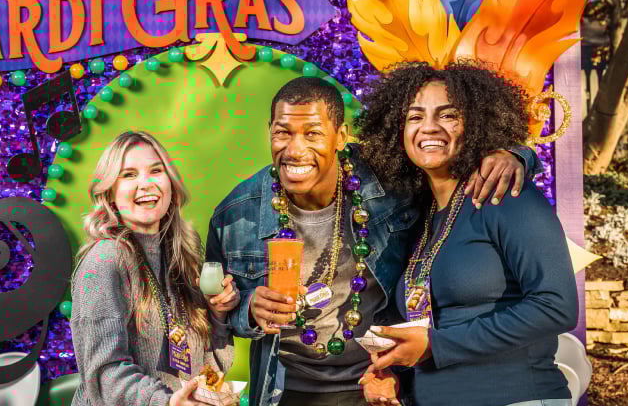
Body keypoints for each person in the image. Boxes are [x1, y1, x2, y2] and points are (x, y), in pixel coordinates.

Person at [204, 77, 540, 406]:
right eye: (282, 133)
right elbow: (216, 319)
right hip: (282, 388)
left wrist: (514, 155)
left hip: (381, 382)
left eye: (313, 134)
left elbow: (448, 153)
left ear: (341, 136)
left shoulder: (388, 180)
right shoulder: (234, 216)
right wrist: (248, 311)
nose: (295, 150)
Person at [357, 62, 578, 406]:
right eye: (414, 117)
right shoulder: (419, 218)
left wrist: (435, 345)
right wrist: (393, 373)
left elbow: (556, 306)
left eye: (448, 116)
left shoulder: (506, 197)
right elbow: (433, 323)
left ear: (476, 124)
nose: (429, 128)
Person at [71, 131, 241, 406]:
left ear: (171, 185)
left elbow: (208, 369)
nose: (145, 184)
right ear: (110, 193)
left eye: (155, 171)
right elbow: (104, 374)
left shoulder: (181, 255)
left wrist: (218, 315)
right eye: (128, 175)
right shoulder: (104, 262)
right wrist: (165, 402)